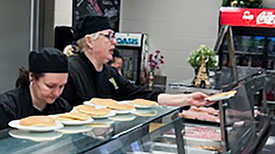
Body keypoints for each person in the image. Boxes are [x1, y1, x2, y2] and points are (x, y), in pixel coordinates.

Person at [63, 15, 209, 109]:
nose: (114, 41)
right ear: (89, 41)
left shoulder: (109, 72)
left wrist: (188, 99)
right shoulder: (71, 70)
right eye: (108, 36)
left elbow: (139, 94)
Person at [0, 48, 70, 134]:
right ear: (32, 76)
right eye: (50, 86)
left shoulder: (62, 108)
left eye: (61, 86)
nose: (57, 93)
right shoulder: (5, 109)